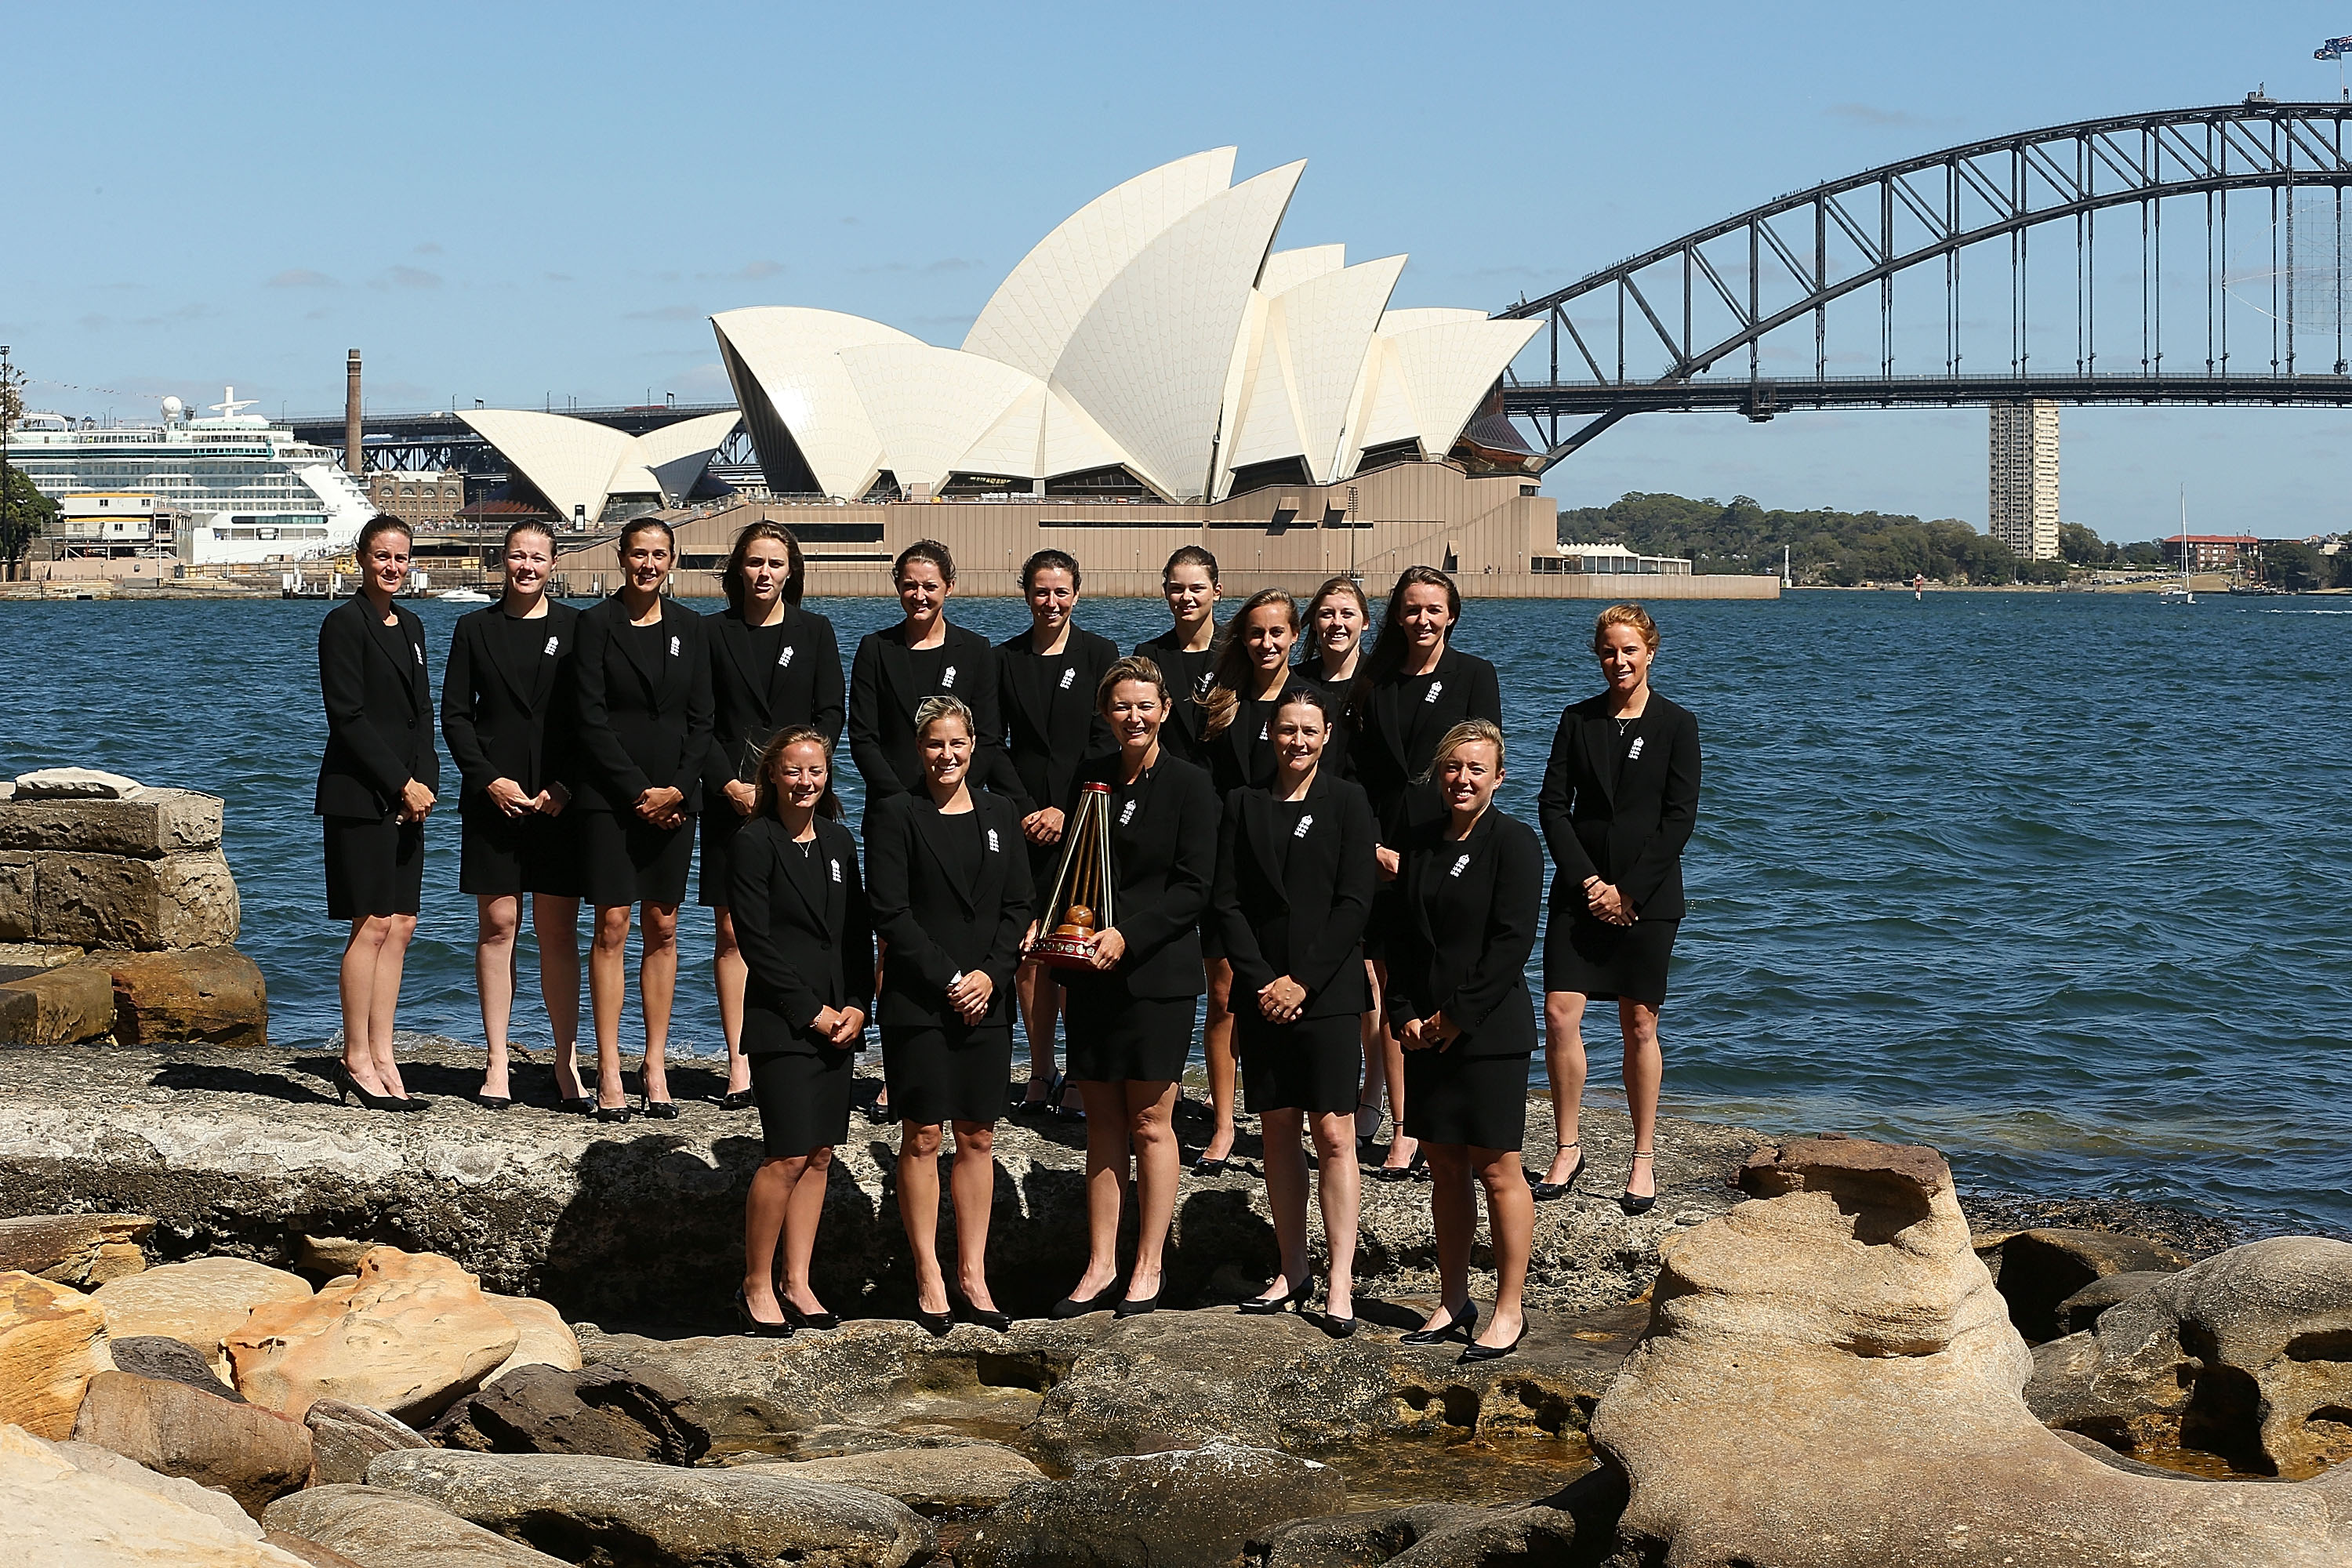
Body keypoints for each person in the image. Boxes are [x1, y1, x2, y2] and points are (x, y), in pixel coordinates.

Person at [1036, 656, 1220, 1319]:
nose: (1134, 718)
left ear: (1166, 709)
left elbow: (1195, 887)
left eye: (1145, 706)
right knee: (1101, 1122)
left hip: (1158, 973)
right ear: (1105, 714)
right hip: (1090, 972)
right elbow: (1068, 868)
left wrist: (1131, 935)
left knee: (1150, 1120)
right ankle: (1099, 1264)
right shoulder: (1091, 779)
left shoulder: (1193, 786)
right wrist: (1048, 920)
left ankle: (1149, 1264)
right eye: (1121, 707)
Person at [1211, 685, 1377, 1334]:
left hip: (1327, 990)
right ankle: (1293, 1267)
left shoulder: (1350, 802)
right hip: (1261, 991)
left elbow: (1355, 901)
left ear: (1326, 736)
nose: (1298, 741)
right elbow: (1226, 902)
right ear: (1270, 735)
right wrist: (1262, 982)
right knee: (1277, 1128)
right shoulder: (1243, 803)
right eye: (1286, 730)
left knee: (1333, 1133)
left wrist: (1301, 982)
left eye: (1310, 730)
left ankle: (1340, 1280)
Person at [866, 697, 1033, 1335]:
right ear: (919, 748)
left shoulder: (999, 812)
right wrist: (951, 978)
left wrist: (990, 975)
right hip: (920, 999)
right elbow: (891, 913)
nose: (948, 755)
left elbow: (1019, 904)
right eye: (935, 744)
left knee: (978, 1136)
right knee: (923, 1136)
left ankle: (973, 1272)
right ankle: (929, 1273)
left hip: (987, 997)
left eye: (958, 743)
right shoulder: (894, 814)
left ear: (974, 747)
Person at [1382, 719, 1542, 1363]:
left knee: (1498, 1170)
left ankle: (1509, 1307)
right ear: (1438, 775)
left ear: (1499, 777)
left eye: (1477, 769)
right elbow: (1399, 939)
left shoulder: (1516, 844)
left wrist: (1454, 1017)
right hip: (1423, 1034)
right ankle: (1453, 1299)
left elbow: (1512, 943)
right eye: (1453, 768)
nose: (1463, 779)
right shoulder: (1417, 843)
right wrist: (1404, 1013)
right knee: (1444, 1168)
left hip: (1490, 1031)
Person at [1535, 604, 1701, 1215]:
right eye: (1609, 650)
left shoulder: (1676, 724)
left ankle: (1642, 1156)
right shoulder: (1577, 720)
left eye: (1629, 649)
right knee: (1559, 1014)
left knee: (1640, 1024)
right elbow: (1553, 805)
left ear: (1651, 651)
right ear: (1597, 654)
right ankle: (1568, 1145)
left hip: (1649, 898)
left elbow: (1679, 817)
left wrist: (1628, 891)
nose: (1619, 661)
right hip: (1580, 894)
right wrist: (1589, 883)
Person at [1349, 565, 1502, 1182]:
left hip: (1444, 845)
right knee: (1385, 985)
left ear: (1452, 615)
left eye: (1433, 609)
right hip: (1382, 846)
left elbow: (1484, 760)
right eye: (1411, 609)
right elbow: (1353, 770)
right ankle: (1393, 1114)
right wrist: (1370, 845)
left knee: (1438, 973)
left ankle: (1430, 1124)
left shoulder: (1473, 675)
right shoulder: (1374, 678)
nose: (1422, 620)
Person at [570, 517, 713, 1123]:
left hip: (677, 801)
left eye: (659, 554)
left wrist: (677, 789)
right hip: (610, 800)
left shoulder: (691, 628)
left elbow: (703, 721)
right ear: (622, 558)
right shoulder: (595, 625)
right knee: (612, 925)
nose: (648, 564)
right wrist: (639, 793)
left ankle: (654, 1064)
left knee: (664, 925)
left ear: (671, 560)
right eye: (638, 554)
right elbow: (589, 719)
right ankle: (608, 1066)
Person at [729, 728, 871, 1335]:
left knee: (819, 1156)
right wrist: (811, 1012)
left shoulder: (840, 841)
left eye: (816, 771)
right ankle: (756, 1284)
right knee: (785, 1154)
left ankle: (799, 1281)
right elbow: (754, 942)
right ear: (773, 777)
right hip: (783, 1022)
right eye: (793, 771)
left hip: (841, 1022)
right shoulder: (753, 841)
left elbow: (856, 933)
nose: (806, 782)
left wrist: (860, 1007)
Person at [439, 520, 586, 1110]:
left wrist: (566, 786)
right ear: (502, 561)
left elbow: (591, 719)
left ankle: (566, 1059)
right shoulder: (474, 629)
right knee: (498, 927)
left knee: (558, 934)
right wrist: (486, 778)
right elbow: (454, 716)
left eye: (538, 557)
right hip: (492, 799)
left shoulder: (578, 628)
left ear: (554, 563)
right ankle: (497, 1059)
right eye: (517, 556)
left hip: (559, 804)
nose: (527, 567)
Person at [703, 521, 844, 1112]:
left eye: (775, 564)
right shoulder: (711, 633)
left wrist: (806, 776)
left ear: (792, 571)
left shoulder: (814, 632)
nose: (764, 573)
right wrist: (730, 784)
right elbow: (700, 720)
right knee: (734, 930)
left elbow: (831, 712)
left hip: (802, 801)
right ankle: (740, 1060)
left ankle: (799, 1038)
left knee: (801, 926)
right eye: (755, 562)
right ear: (738, 568)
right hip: (731, 798)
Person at [314, 515, 437, 1112]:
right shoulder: (343, 623)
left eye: (401, 557)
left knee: (403, 925)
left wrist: (426, 786)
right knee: (371, 923)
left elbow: (423, 714)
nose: (392, 566)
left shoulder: (411, 625)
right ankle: (355, 1058)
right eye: (382, 556)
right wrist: (401, 784)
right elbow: (349, 717)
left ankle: (384, 1053)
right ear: (360, 558)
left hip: (411, 798)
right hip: (360, 795)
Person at [995, 548, 1117, 1117]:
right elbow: (992, 744)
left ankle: (1079, 1071)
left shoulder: (1100, 654)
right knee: (1029, 950)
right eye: (1041, 592)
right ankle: (1039, 1069)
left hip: (1083, 822)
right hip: (1022, 822)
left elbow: (1105, 741)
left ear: (1077, 592)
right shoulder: (1005, 659)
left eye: (1061, 591)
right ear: (1027, 594)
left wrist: (1066, 811)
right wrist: (1026, 809)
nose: (1052, 602)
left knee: (1075, 946)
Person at [1189, 588, 1302, 1173]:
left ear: (1294, 636)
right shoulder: (1222, 702)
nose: (1266, 643)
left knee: (1290, 989)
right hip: (1228, 862)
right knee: (1226, 995)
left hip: (1292, 869)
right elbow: (1201, 786)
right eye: (1256, 632)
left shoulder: (1309, 702)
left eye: (1277, 632)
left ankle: (1283, 1114)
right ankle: (1227, 1121)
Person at [1294, 577, 1384, 1149]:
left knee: (1369, 977)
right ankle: (1317, 1091)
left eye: (1347, 613)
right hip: (1306, 842)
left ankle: (1371, 1094)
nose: (1336, 623)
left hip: (1368, 842)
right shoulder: (1297, 686)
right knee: (1309, 964)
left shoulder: (1380, 685)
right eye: (1325, 613)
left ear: (1366, 622)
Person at [848, 539, 1009, 823]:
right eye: (910, 585)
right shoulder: (875, 649)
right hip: (891, 808)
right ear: (898, 587)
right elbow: (863, 738)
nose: (919, 595)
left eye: (930, 587)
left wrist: (956, 794)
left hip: (957, 808)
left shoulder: (975, 650)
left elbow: (988, 736)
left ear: (950, 587)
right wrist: (900, 800)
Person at [1134, 546, 1221, 768]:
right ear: (1165, 591)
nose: (1186, 597)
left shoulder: (1238, 651)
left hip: (1226, 783)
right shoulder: (1148, 655)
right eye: (1177, 589)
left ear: (1216, 591)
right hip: (1169, 779)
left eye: (1197, 589)